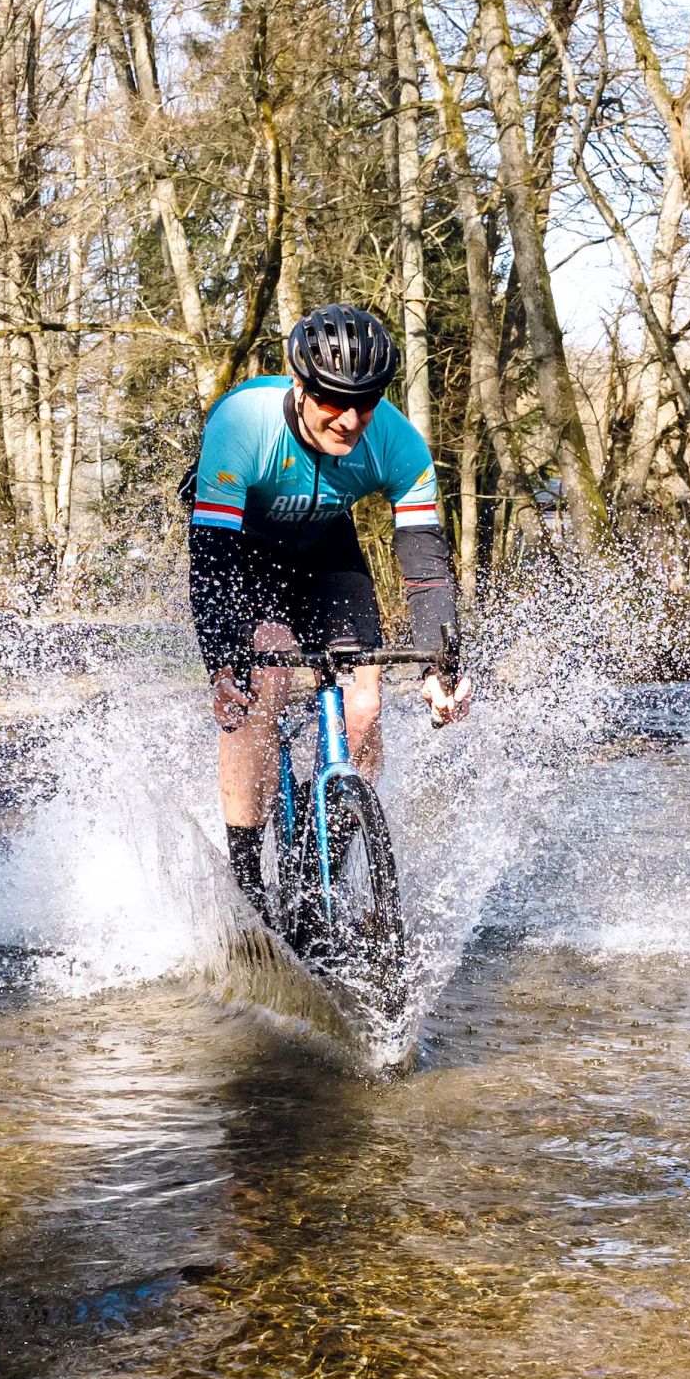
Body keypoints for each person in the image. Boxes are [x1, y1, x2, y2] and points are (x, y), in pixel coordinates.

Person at [186, 304, 472, 927]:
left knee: (364, 705)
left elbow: (425, 567)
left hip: (327, 552)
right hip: (245, 552)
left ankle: (317, 878)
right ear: (300, 387)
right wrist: (222, 663)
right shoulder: (242, 424)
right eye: (332, 401)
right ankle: (247, 891)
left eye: (364, 402)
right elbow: (211, 563)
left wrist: (443, 666)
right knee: (262, 683)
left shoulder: (399, 444)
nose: (348, 419)